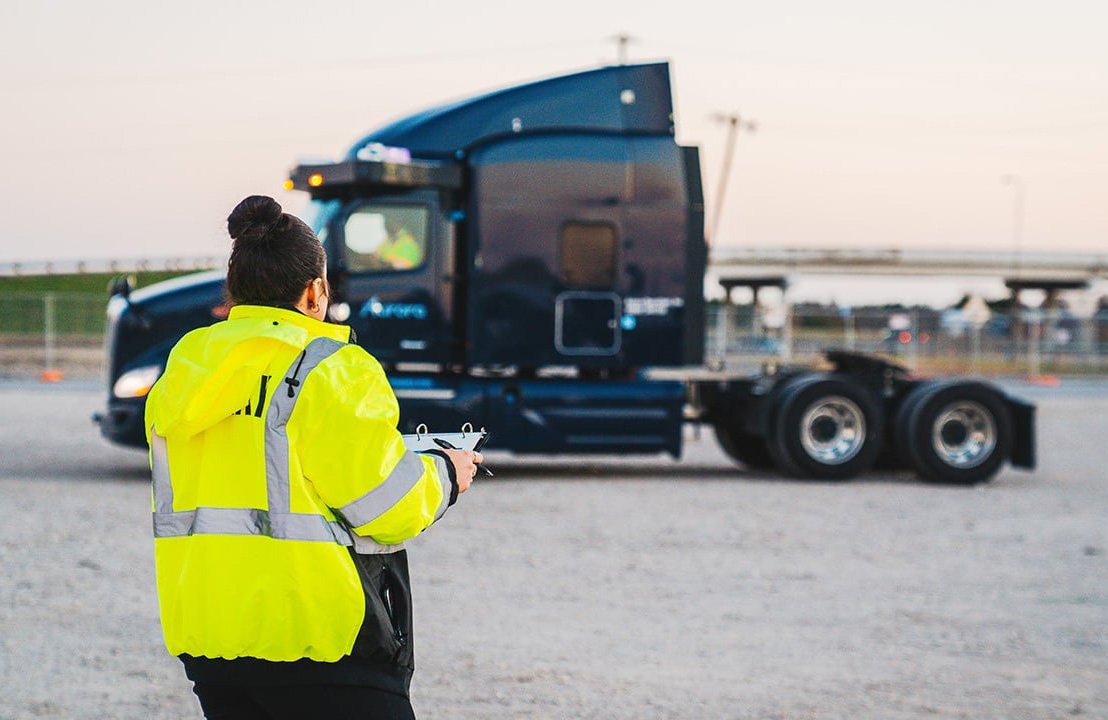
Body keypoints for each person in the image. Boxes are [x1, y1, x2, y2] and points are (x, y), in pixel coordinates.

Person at [144, 195, 481, 719]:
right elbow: (384, 506)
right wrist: (446, 473)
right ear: (315, 291)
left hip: (211, 635)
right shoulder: (333, 368)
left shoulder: (188, 368)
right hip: (316, 637)